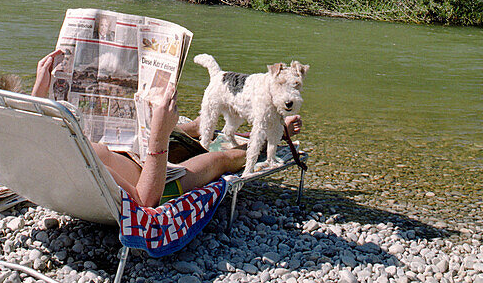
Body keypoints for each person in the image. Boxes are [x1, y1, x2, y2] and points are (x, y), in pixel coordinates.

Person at [32, 50, 302, 207]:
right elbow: (145, 199)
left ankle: (195, 127)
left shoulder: (42, 150)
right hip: (159, 182)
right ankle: (275, 135)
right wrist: (158, 139)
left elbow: (34, 128)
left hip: (128, 152)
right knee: (219, 159)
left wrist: (40, 89)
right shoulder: (80, 174)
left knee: (168, 129)